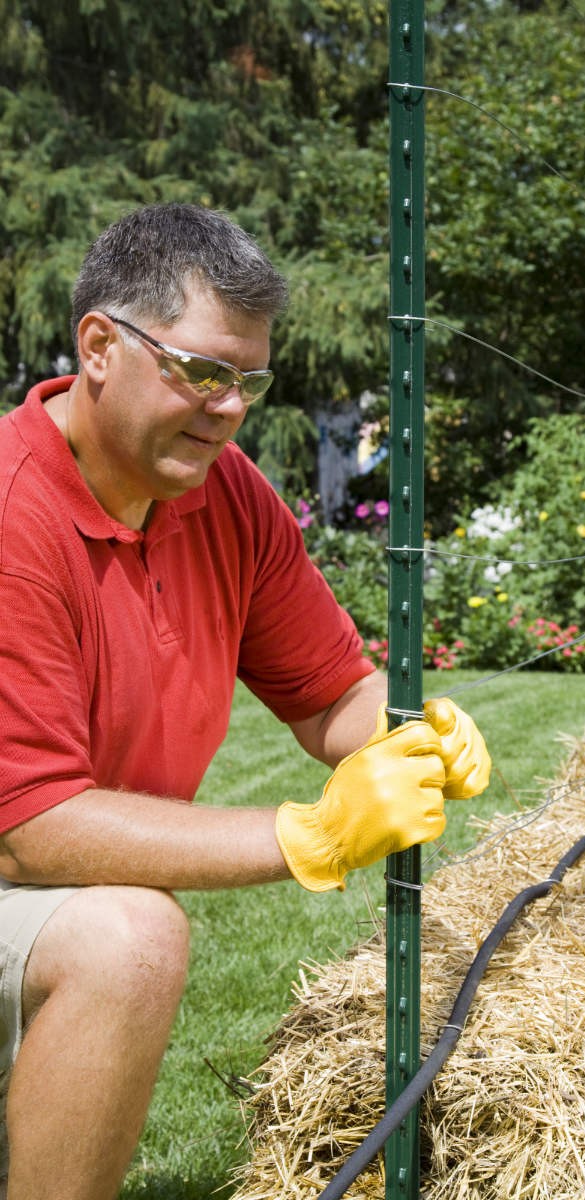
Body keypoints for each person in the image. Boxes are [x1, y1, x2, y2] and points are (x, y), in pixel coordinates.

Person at [0, 203, 491, 1200]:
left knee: (128, 924)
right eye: (202, 371)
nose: (230, 407)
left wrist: (406, 737)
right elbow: (30, 825)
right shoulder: (14, 512)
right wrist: (309, 836)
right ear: (99, 346)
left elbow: (328, 696)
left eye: (248, 381)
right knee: (130, 940)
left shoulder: (225, 497)